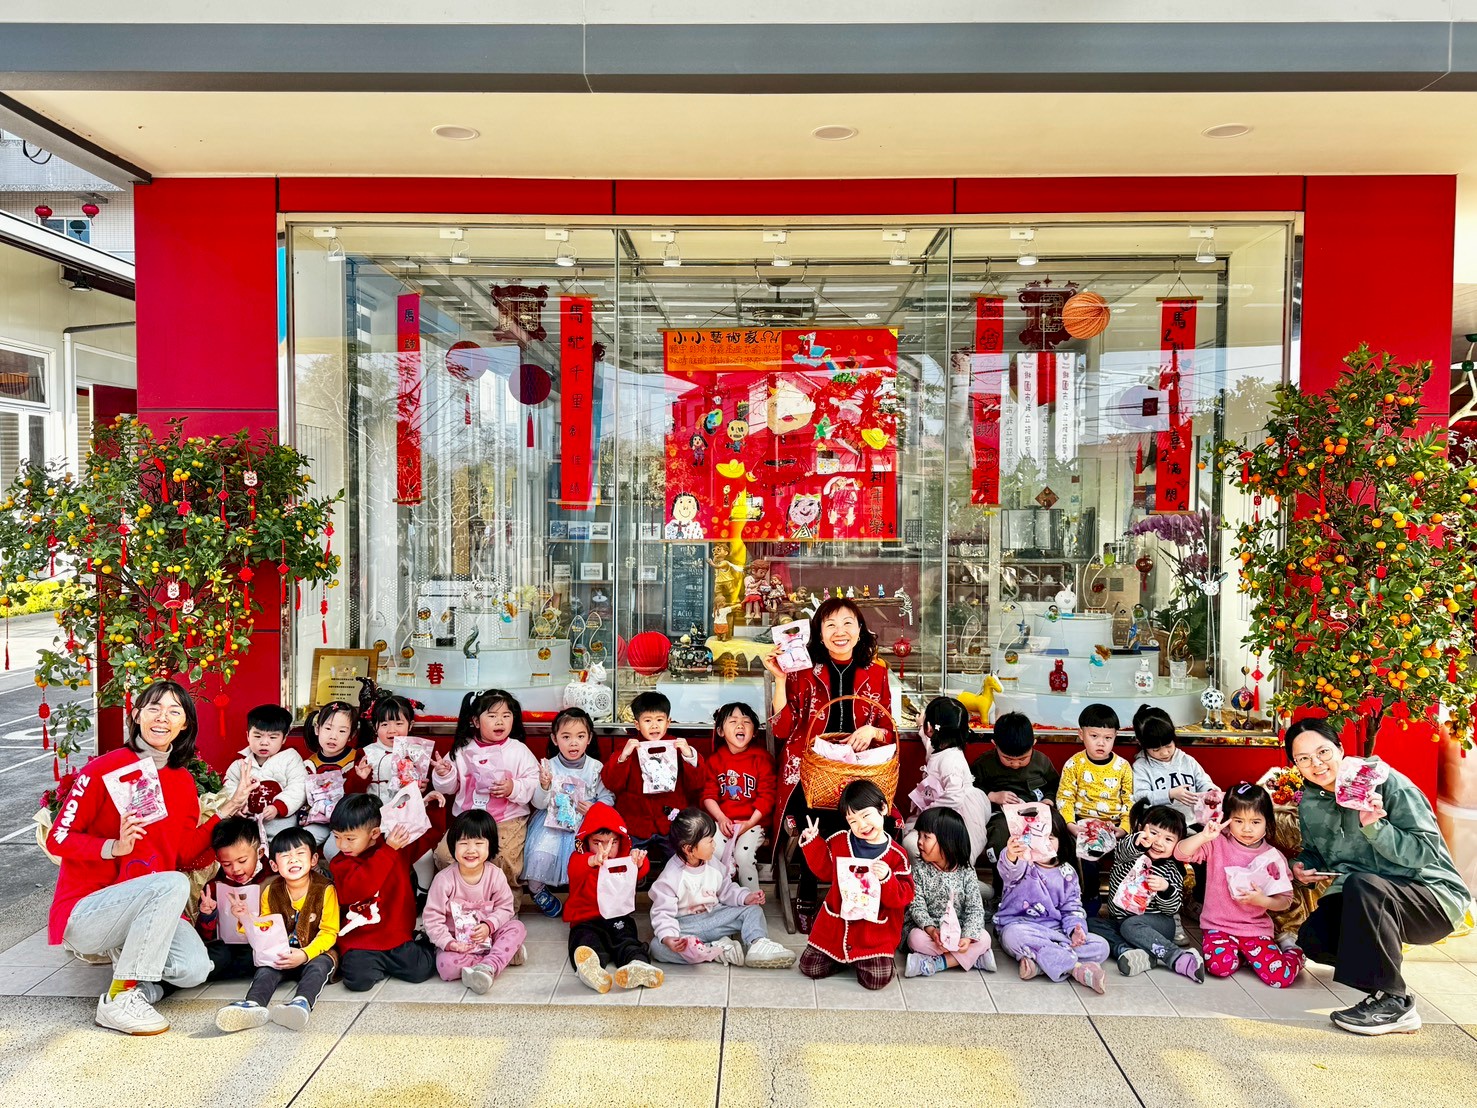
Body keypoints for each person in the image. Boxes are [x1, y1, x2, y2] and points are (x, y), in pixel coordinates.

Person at [46, 678, 253, 1035]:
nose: (162, 717)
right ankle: (120, 999)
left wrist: (227, 809)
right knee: (171, 884)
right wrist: (112, 847)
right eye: (154, 708)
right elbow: (57, 838)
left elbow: (184, 854)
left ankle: (137, 980)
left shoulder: (182, 781)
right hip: (90, 909)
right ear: (136, 714)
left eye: (174, 711)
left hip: (149, 905)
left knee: (193, 969)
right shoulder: (102, 769)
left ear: (185, 724)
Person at [1286, 718, 1470, 1035]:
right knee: (1315, 939)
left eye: (1323, 752)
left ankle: (1395, 1002)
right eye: (1303, 758)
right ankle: (1379, 977)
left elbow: (1425, 851)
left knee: (1363, 884)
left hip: (1430, 896)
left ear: (1340, 749)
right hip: (1368, 895)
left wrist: (1376, 827)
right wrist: (1303, 865)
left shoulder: (1385, 783)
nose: (1316, 764)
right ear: (1295, 765)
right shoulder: (1311, 803)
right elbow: (1317, 851)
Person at [763, 597, 895, 932]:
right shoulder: (802, 671)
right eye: (830, 624)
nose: (840, 631)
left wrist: (872, 730)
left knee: (875, 813)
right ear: (819, 634)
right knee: (821, 812)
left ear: (860, 629)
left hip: (859, 770)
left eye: (848, 623)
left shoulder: (877, 673)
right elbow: (782, 730)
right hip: (808, 773)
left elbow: (889, 730)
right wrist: (780, 680)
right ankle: (809, 887)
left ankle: (863, 890)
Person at [1175, 781, 1301, 989]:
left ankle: (1293, 951)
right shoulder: (1217, 843)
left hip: (1255, 930)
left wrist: (1263, 901)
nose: (1247, 829)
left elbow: (1285, 901)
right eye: (1238, 821)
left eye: (1255, 821)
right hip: (1218, 927)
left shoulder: (1273, 857)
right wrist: (1204, 836)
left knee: (1280, 978)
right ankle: (1242, 956)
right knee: (1219, 967)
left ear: (1267, 821)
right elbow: (1180, 853)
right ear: (1227, 819)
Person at [215, 827, 340, 1032]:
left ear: (313, 859)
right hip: (281, 953)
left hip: (315, 951)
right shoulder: (271, 890)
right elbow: (266, 929)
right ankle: (252, 1005)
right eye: (285, 856)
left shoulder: (325, 889)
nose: (293, 860)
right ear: (274, 865)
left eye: (300, 853)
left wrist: (304, 954)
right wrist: (245, 918)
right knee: (265, 970)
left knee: (319, 967)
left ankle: (301, 1004)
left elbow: (329, 932)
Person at [796, 780, 914, 991]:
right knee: (809, 967)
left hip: (873, 934)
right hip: (836, 929)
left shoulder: (897, 855)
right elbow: (824, 871)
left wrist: (887, 878)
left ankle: (861, 959)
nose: (862, 826)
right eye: (853, 821)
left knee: (875, 980)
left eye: (866, 815)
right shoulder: (840, 841)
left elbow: (903, 897)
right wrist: (813, 842)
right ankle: (845, 958)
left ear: (883, 808)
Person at [647, 807, 795, 969]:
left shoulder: (712, 864)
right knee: (658, 947)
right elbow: (662, 913)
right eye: (710, 841)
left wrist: (745, 897)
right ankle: (717, 950)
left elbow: (726, 889)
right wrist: (668, 937)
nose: (714, 845)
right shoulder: (670, 877)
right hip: (687, 926)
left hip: (715, 917)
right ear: (689, 849)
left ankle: (757, 943)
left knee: (753, 910)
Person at [327, 793, 437, 992]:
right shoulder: (340, 862)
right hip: (360, 940)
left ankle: (420, 941)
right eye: (337, 837)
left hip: (396, 936)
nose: (342, 845)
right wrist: (388, 851)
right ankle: (378, 965)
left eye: (350, 838)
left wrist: (429, 809)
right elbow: (360, 888)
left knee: (421, 970)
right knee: (357, 981)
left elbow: (428, 837)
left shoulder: (395, 846)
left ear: (375, 833)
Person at [994, 804, 1109, 993]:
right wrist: (1011, 854)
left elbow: (1072, 909)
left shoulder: (1067, 873)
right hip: (1020, 926)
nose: (1043, 842)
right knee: (1013, 936)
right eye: (1037, 836)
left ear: (1060, 841)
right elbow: (1009, 871)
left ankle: (1040, 965)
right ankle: (1075, 968)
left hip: (1056, 932)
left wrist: (1075, 931)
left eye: (1050, 837)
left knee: (1101, 946)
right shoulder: (1022, 862)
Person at [432, 688, 538, 889]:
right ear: (476, 721)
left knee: (504, 858)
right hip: (469, 821)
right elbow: (447, 788)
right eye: (492, 716)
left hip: (507, 820)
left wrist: (513, 788)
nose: (500, 721)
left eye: (506, 715)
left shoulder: (518, 750)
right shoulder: (462, 750)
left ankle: (505, 903)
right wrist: (444, 774)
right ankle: (463, 898)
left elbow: (534, 781)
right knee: (446, 856)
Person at [1087, 804, 1204, 981]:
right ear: (1141, 830)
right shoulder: (1127, 856)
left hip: (1159, 925)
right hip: (1120, 922)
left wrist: (1165, 889)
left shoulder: (1171, 870)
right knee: (1089, 923)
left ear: (1177, 844)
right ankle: (1132, 952)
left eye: (1168, 839)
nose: (1158, 842)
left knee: (1130, 926)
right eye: (1154, 833)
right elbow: (1124, 848)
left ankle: (1176, 956)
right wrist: (1138, 841)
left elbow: (1171, 909)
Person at [423, 810, 528, 994]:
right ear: (453, 846)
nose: (471, 850)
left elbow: (505, 908)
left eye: (479, 843)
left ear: (490, 846)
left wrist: (488, 925)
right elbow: (432, 919)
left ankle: (489, 965)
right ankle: (500, 958)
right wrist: (449, 943)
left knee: (517, 928)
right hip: (458, 944)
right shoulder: (444, 880)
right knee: (445, 967)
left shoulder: (495, 875)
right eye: (463, 843)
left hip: (490, 935)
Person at [524, 706, 615, 918]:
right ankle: (536, 890)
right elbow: (538, 803)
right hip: (551, 823)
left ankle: (583, 896)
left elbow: (608, 797)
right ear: (555, 739)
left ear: (589, 738)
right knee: (540, 854)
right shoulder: (548, 766)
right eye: (566, 737)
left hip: (585, 823)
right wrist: (544, 786)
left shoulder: (595, 767)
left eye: (580, 736)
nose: (573, 743)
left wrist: (595, 808)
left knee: (585, 859)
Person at [564, 801, 663, 994]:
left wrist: (639, 862)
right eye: (597, 843)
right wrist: (593, 860)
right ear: (586, 841)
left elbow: (642, 870)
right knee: (586, 943)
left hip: (618, 917)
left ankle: (637, 964)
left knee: (626, 940)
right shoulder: (580, 859)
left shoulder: (622, 861)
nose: (606, 849)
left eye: (613, 842)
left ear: (621, 841)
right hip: (586, 920)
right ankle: (592, 971)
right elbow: (575, 869)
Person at [602, 691, 702, 874]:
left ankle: (674, 884)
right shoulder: (628, 747)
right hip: (635, 821)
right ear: (637, 724)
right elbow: (611, 783)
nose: (654, 725)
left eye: (659, 720)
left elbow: (697, 783)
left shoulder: (678, 747)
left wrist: (689, 756)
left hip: (671, 822)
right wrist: (623, 757)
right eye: (647, 720)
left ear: (668, 722)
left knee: (682, 862)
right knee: (629, 863)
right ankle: (637, 879)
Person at [354, 694, 444, 893]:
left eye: (398, 723)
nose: (392, 730)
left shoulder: (418, 751)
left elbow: (424, 786)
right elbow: (353, 791)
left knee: (424, 855)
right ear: (375, 726)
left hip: (407, 814)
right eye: (385, 724)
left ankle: (423, 891)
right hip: (374, 815)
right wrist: (361, 778)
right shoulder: (367, 752)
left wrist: (421, 788)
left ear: (410, 725)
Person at [1057, 703, 1131, 918]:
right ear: (1081, 734)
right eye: (1094, 736)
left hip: (1114, 825)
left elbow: (1129, 800)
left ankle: (1122, 902)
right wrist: (1070, 825)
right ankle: (1090, 896)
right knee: (1086, 857)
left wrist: (1124, 828)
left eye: (1108, 738)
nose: (1101, 743)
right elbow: (1065, 798)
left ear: (1115, 737)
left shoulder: (1123, 767)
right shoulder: (1075, 764)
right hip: (1082, 823)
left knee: (1132, 853)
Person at [904, 806, 994, 977]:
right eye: (919, 836)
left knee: (984, 938)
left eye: (926, 837)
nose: (919, 842)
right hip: (929, 931)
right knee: (915, 939)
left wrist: (967, 938)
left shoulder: (966, 872)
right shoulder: (919, 870)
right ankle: (972, 959)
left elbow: (975, 908)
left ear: (948, 842)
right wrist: (932, 931)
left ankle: (935, 963)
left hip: (958, 931)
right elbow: (916, 906)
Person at [902, 696, 990, 866]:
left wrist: (928, 813)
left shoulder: (952, 761)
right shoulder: (941, 746)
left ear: (931, 727)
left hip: (955, 816)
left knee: (913, 844)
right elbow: (928, 742)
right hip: (941, 810)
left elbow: (954, 798)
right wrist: (921, 725)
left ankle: (941, 876)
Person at [701, 702, 776, 891]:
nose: (740, 725)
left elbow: (767, 797)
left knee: (743, 856)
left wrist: (749, 823)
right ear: (720, 731)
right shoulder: (715, 760)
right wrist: (720, 818)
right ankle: (714, 897)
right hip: (723, 822)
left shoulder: (761, 759)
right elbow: (708, 795)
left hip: (753, 823)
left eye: (746, 722)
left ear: (755, 732)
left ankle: (752, 899)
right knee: (713, 852)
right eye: (733, 721)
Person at [971, 710, 1059, 862]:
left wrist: (1048, 800)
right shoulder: (984, 763)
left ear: (1033, 744)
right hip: (1000, 814)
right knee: (999, 833)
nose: (1016, 764)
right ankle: (1002, 873)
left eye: (1023, 759)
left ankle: (1053, 874)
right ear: (995, 745)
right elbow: (970, 787)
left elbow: (1055, 785)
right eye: (1008, 759)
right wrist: (992, 795)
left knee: (1057, 826)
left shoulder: (1041, 761)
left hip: (1036, 812)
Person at [197, 816, 270, 983]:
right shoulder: (215, 886)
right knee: (218, 956)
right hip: (229, 948)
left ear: (259, 852)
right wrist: (207, 915)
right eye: (227, 864)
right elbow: (206, 937)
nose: (235, 869)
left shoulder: (273, 878)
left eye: (242, 861)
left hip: (260, 945)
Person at [222, 704, 306, 841]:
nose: (264, 743)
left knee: (285, 841)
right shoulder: (241, 762)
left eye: (273, 737)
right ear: (248, 735)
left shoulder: (290, 758)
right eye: (257, 736)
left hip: (281, 822)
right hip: (248, 822)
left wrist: (278, 807)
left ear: (284, 738)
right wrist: (237, 805)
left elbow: (299, 786)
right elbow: (229, 784)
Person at [1131, 706, 1216, 827]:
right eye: (1156, 749)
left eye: (1168, 745)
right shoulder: (1141, 767)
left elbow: (1203, 782)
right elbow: (1140, 797)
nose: (1165, 753)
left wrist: (1210, 791)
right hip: (1162, 828)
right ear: (1140, 743)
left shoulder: (1187, 760)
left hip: (1193, 822)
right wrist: (1169, 794)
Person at [300, 699, 364, 854]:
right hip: (319, 820)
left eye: (342, 731)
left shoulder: (357, 759)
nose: (333, 736)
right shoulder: (309, 764)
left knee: (332, 850)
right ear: (317, 729)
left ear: (351, 735)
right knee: (301, 842)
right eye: (328, 728)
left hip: (347, 820)